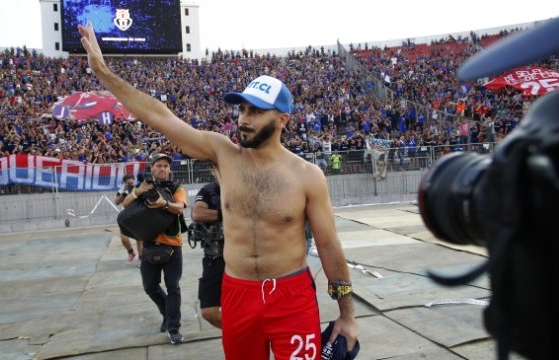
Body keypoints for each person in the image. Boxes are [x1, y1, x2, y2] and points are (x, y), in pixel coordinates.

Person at [79, 22, 358, 359]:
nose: (243, 119)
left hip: (291, 295)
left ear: (282, 119)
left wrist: (347, 315)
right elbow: (159, 115)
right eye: (241, 109)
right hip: (237, 293)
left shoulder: (307, 176)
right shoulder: (222, 153)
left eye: (255, 111)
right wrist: (104, 73)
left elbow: (329, 246)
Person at [122, 153, 187, 344]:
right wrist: (138, 192)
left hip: (173, 246)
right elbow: (125, 206)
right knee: (149, 286)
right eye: (159, 165)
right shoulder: (143, 188)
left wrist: (163, 204)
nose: (163, 169)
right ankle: (167, 313)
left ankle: (174, 328)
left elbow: (180, 207)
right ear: (152, 168)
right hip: (149, 245)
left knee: (173, 286)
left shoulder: (176, 187)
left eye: (166, 166)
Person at [191, 177, 224, 328]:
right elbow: (197, 214)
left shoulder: (247, 187)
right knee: (209, 311)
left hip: (246, 258)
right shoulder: (209, 190)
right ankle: (237, 334)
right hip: (215, 256)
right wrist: (229, 214)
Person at [113, 174, 140, 264]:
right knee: (124, 238)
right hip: (125, 217)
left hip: (136, 215)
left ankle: (141, 258)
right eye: (128, 182)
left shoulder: (137, 188)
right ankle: (131, 252)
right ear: (125, 183)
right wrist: (124, 191)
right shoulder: (121, 191)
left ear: (134, 180)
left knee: (139, 238)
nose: (130, 183)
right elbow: (117, 202)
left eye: (131, 181)